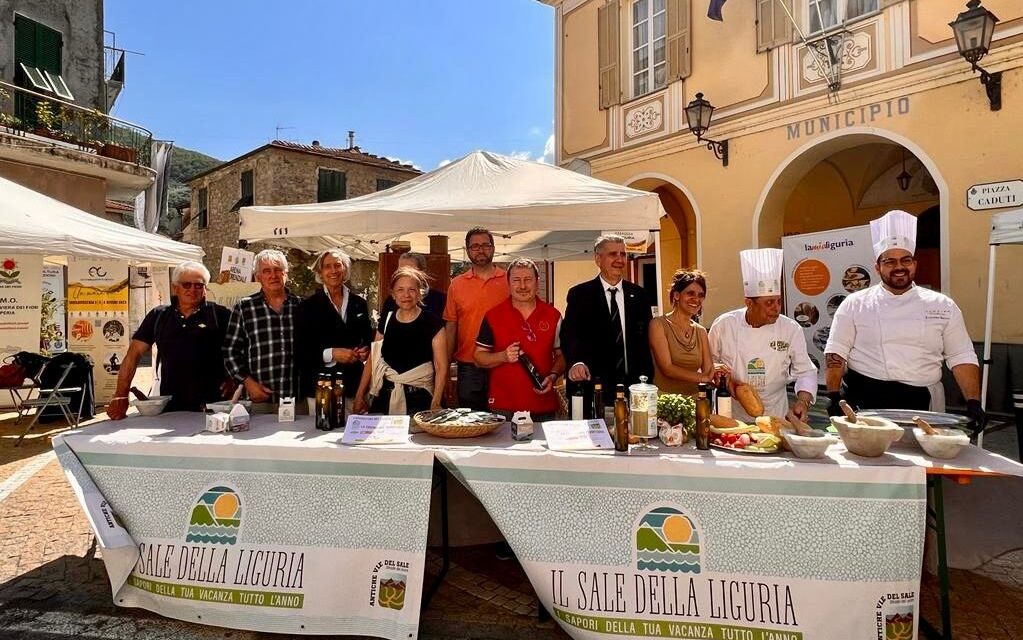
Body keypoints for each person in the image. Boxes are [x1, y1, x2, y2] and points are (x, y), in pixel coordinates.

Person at [824, 210, 984, 428]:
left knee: (921, 450)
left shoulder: (943, 306)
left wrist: (973, 402)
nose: (899, 267)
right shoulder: (854, 304)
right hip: (865, 400)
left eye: (905, 260)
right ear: (877, 267)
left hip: (923, 402)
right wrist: (834, 395)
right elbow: (836, 352)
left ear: (914, 264)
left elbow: (961, 355)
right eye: (890, 262)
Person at [108, 261, 232, 418]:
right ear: (175, 288)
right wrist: (120, 395)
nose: (193, 289)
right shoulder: (159, 316)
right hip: (171, 406)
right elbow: (133, 355)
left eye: (199, 285)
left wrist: (233, 380)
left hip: (214, 406)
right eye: (187, 285)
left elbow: (241, 351)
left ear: (205, 289)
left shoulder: (220, 315)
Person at [709, 248, 817, 422]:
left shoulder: (790, 329)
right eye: (769, 303)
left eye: (778, 301)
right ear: (749, 303)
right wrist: (720, 376)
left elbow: (806, 371)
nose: (776, 308)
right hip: (730, 415)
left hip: (775, 414)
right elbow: (708, 365)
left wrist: (803, 402)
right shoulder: (724, 325)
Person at [561, 234, 653, 404]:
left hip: (634, 388)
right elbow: (570, 335)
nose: (619, 259)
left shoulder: (639, 295)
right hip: (593, 388)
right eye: (613, 254)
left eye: (623, 254)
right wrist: (576, 362)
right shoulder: (580, 295)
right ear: (598, 259)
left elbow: (647, 339)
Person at [474, 258, 565, 421]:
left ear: (537, 282)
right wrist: (503, 356)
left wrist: (553, 375)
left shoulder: (554, 316)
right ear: (508, 283)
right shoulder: (493, 316)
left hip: (543, 404)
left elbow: (562, 355)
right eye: (516, 280)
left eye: (528, 279)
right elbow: (478, 357)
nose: (522, 286)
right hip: (503, 405)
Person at [354, 267, 447, 415]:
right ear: (393, 294)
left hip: (420, 399)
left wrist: (435, 402)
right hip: (385, 398)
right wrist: (359, 395)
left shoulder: (433, 323)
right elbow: (373, 358)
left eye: (412, 290)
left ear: (420, 293)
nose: (406, 295)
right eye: (400, 290)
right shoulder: (386, 321)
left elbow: (441, 366)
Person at [295, 249, 373, 413]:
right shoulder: (307, 307)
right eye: (327, 267)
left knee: (355, 429)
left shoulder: (359, 303)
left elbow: (367, 340)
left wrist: (364, 351)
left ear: (345, 269)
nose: (333, 271)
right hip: (322, 388)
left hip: (354, 387)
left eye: (337, 265)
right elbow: (301, 352)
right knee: (323, 429)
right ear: (320, 273)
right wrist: (332, 353)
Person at [223, 249, 301, 410]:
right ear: (258, 277)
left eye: (278, 270)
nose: (273, 275)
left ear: (286, 274)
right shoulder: (244, 308)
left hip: (297, 398)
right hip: (259, 399)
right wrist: (248, 382)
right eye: (267, 271)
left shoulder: (302, 306)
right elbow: (230, 352)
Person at [443, 227, 509, 409]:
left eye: (486, 245)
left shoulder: (509, 281)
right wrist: (446, 368)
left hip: (503, 362)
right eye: (475, 246)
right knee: (471, 420)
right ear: (468, 250)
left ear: (493, 248)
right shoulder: (456, 285)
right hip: (469, 366)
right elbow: (451, 328)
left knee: (505, 419)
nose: (481, 250)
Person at [649, 269, 719, 396]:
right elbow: (667, 369)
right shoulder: (658, 325)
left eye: (701, 295)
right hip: (665, 400)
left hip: (696, 399)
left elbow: (708, 370)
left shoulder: (701, 331)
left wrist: (719, 370)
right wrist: (703, 377)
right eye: (690, 293)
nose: (696, 299)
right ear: (676, 295)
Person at [381, 252, 447, 320]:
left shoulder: (440, 300)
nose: (404, 274)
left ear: (423, 272)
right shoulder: (391, 301)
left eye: (410, 271)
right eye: (401, 270)